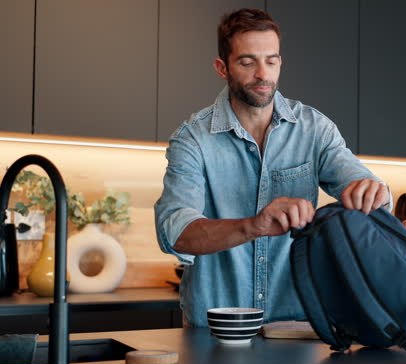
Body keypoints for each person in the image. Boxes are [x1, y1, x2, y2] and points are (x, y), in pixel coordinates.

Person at [154, 9, 389, 327]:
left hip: (298, 324)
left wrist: (371, 191)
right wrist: (255, 225)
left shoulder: (314, 129)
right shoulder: (193, 139)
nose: (263, 74)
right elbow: (176, 233)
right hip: (215, 327)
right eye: (248, 62)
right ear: (222, 68)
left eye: (272, 60)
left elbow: (359, 181)